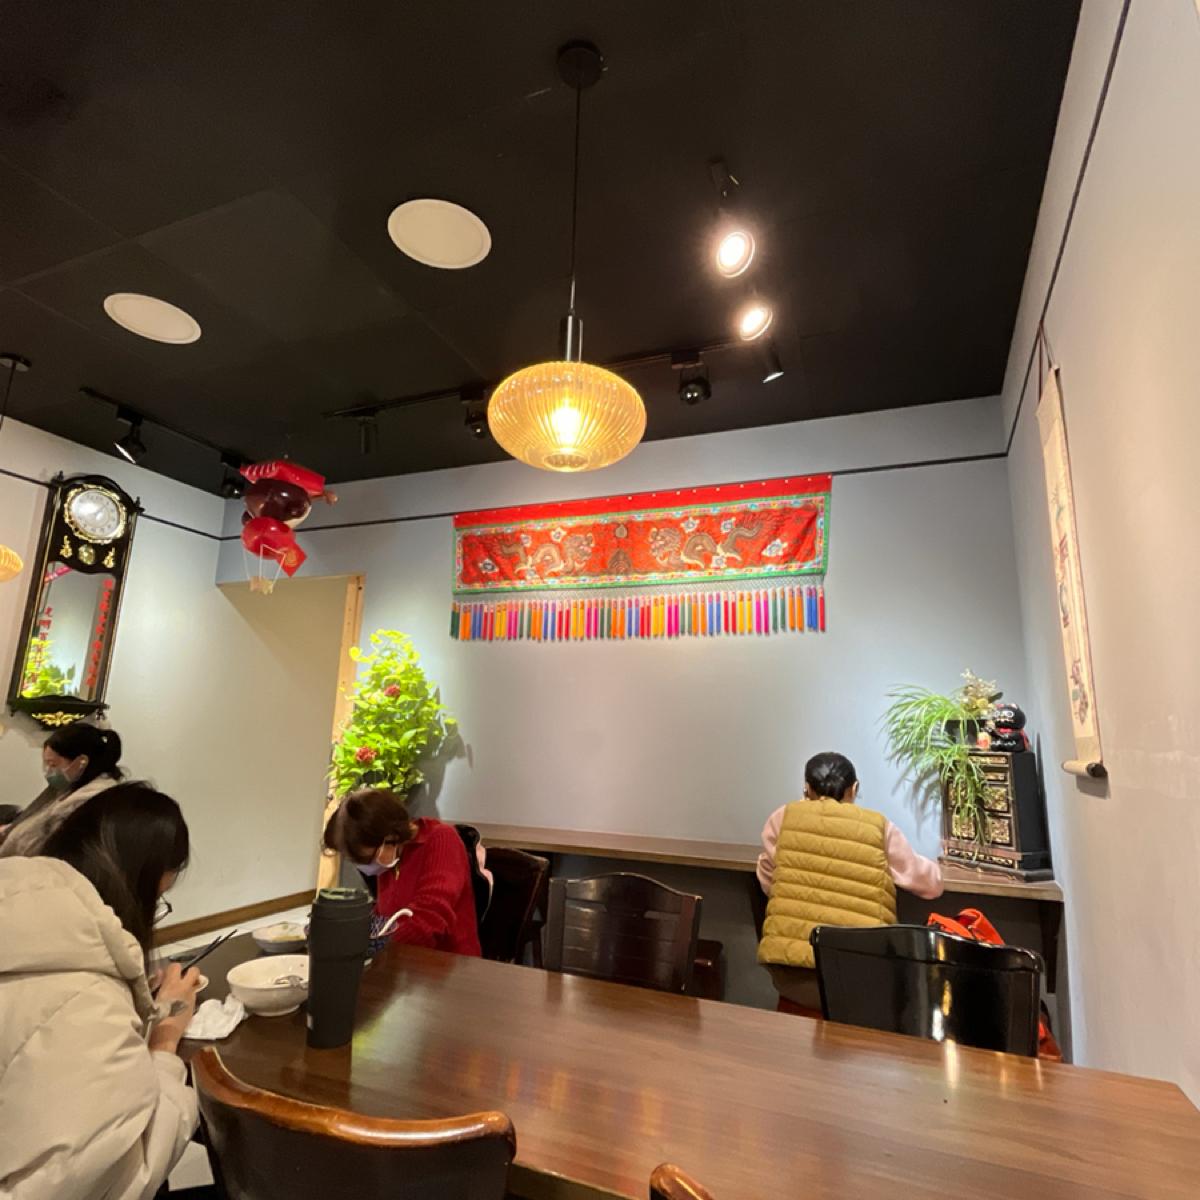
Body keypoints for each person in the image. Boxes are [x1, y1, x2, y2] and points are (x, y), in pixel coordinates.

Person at [0, 782, 201, 1199]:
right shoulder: (87, 1001)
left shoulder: (18, 898)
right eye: (156, 901)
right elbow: (126, 1175)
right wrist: (166, 1040)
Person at [756, 751, 943, 1011]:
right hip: (861, 975)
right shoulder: (877, 826)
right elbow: (930, 886)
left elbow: (768, 880)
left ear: (806, 787)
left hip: (790, 975)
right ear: (854, 789)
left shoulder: (782, 818)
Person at [323, 789, 482, 956]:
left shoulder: (441, 839)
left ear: (390, 838)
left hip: (449, 963)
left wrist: (371, 949)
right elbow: (385, 916)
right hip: (403, 961)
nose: (365, 867)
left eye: (367, 859)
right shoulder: (390, 858)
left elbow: (428, 919)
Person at [0, 723, 125, 858]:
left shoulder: (90, 800)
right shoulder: (68, 787)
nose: (47, 771)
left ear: (81, 762)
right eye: (46, 764)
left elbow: (38, 845)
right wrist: (8, 830)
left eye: (53, 764)